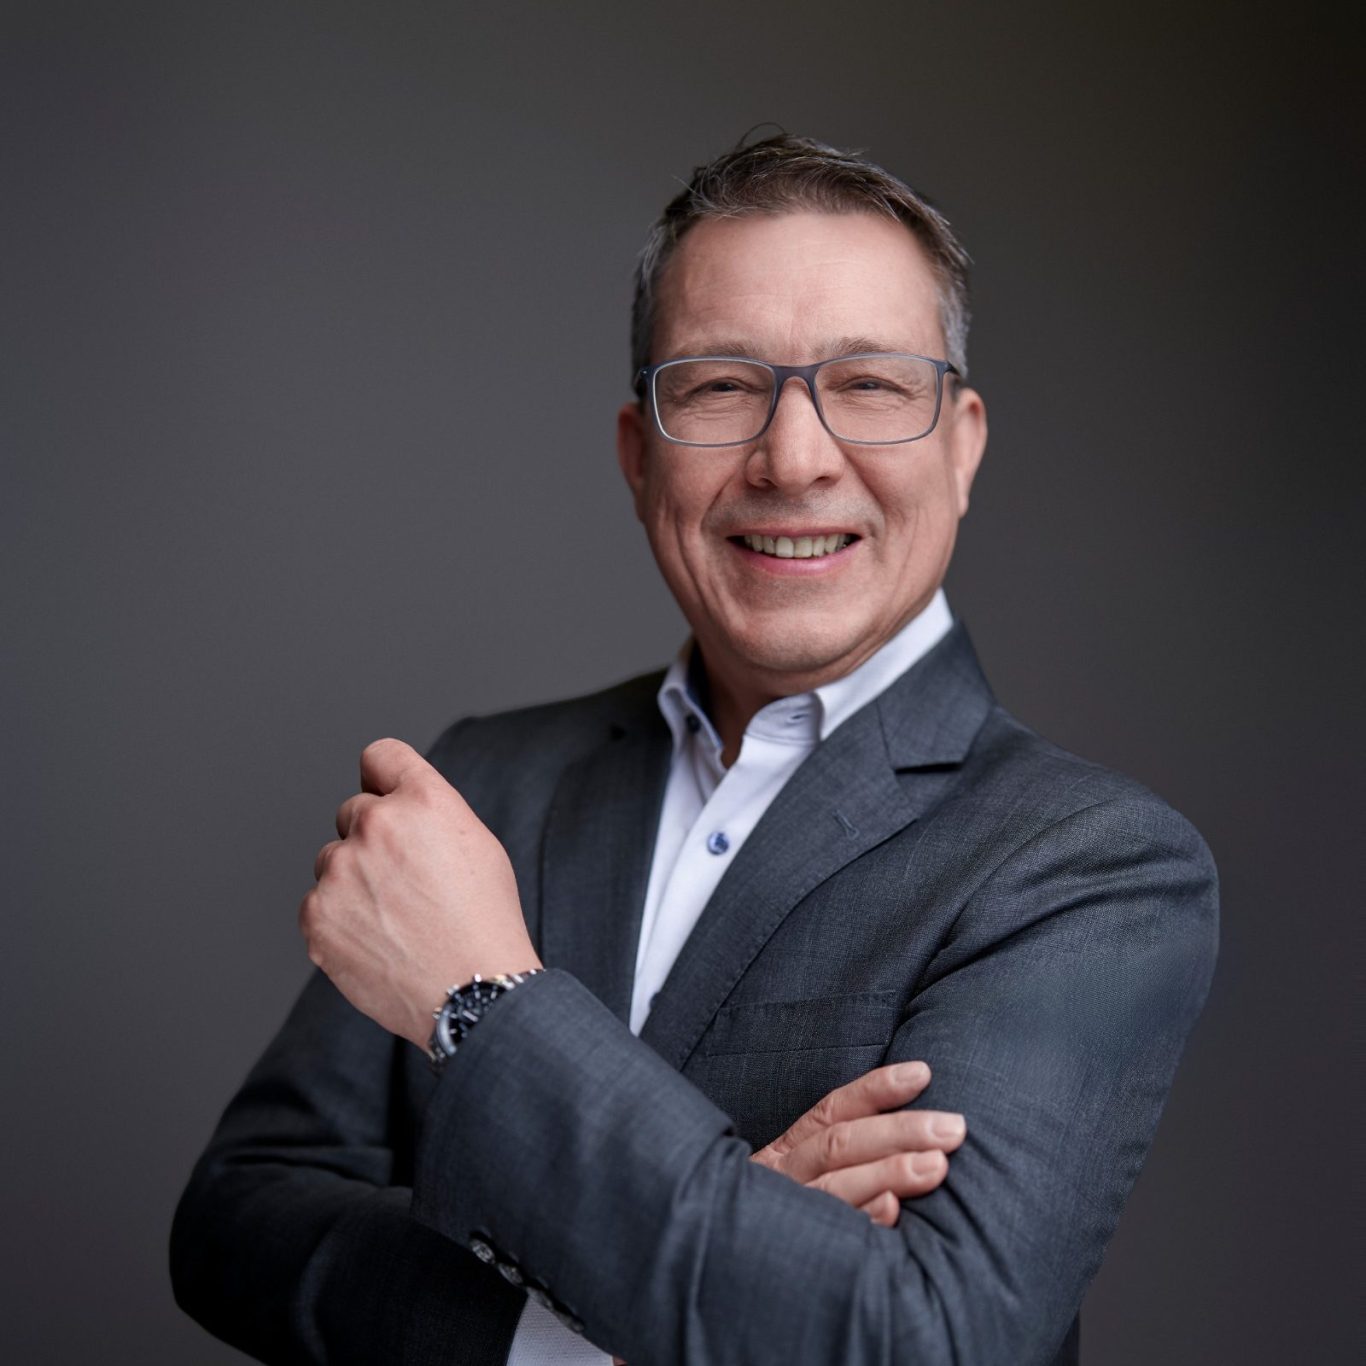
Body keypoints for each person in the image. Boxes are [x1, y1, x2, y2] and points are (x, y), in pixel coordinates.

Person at [171, 135, 1218, 1366]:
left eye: (869, 384)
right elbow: (237, 1218)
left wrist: (481, 999)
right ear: (638, 453)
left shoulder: (1090, 864)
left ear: (961, 444)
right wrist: (629, 1309)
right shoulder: (486, 781)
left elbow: (924, 1341)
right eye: (720, 386)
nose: (793, 458)